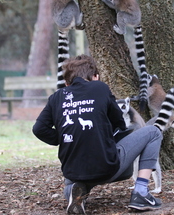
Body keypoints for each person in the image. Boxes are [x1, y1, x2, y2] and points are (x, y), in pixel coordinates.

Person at [32, 54, 163, 214]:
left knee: (74, 180)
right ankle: (141, 193)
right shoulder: (100, 88)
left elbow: (38, 129)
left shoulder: (56, 97)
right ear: (96, 77)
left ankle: (76, 191)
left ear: (67, 83)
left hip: (73, 172)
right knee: (153, 132)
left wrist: (64, 137)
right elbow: (119, 124)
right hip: (107, 168)